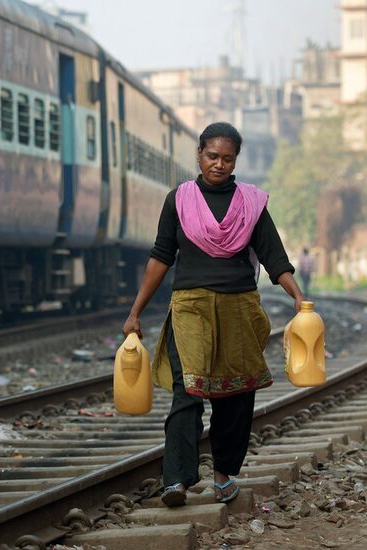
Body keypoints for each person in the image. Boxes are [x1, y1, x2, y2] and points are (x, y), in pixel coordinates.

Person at [122, 122, 304, 508]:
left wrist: (298, 297)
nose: (219, 164)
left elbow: (275, 257)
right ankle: (176, 480)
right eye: (212, 156)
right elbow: (160, 257)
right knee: (187, 393)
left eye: (227, 158)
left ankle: (223, 477)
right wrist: (135, 311)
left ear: (235, 160)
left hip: (239, 308)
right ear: (199, 155)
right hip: (190, 309)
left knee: (235, 396)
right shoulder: (179, 200)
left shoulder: (251, 204)